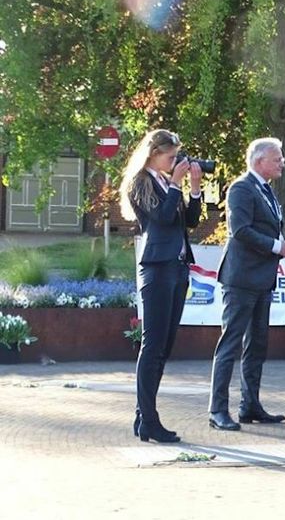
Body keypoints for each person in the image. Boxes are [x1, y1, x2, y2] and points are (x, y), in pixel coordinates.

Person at [120, 129, 203, 443]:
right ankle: (149, 420)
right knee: (152, 346)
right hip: (157, 269)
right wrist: (176, 183)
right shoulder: (141, 182)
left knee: (165, 347)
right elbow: (163, 218)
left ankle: (144, 417)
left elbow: (189, 222)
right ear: (153, 153)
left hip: (178, 268)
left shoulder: (167, 183)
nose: (175, 161)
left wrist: (193, 189)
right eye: (170, 156)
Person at [207, 137, 285, 431]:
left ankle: (250, 404)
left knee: (257, 345)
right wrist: (275, 246)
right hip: (241, 278)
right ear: (259, 161)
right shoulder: (241, 188)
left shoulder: (266, 190)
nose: (282, 162)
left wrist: (279, 245)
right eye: (277, 158)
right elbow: (240, 231)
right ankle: (218, 410)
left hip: (263, 279)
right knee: (230, 344)